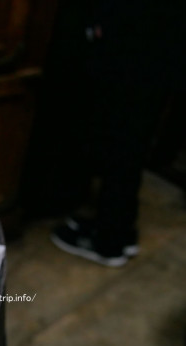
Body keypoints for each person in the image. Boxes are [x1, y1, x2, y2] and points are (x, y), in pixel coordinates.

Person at [21, 0, 185, 267]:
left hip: (140, 36)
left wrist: (102, 22)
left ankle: (111, 240)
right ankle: (120, 227)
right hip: (163, 37)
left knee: (123, 134)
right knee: (133, 132)